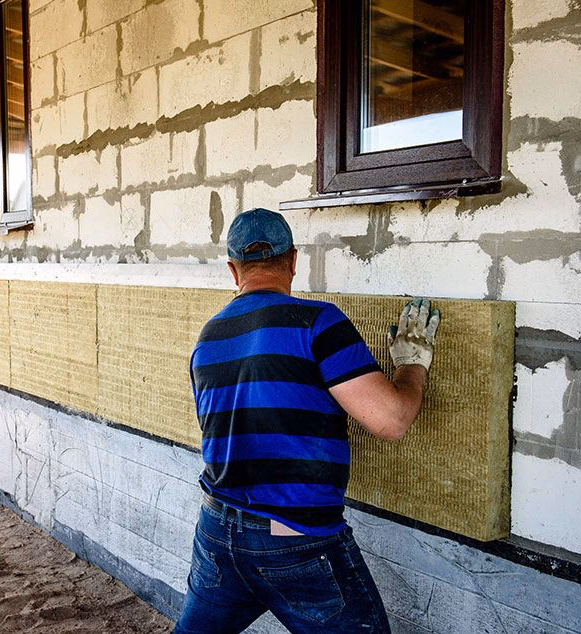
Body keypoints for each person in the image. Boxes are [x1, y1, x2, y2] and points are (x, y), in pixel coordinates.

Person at [174, 208, 440, 633]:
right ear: (294, 260)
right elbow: (392, 420)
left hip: (218, 532)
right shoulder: (317, 323)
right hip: (295, 540)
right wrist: (412, 366)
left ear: (232, 269)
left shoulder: (208, 338)